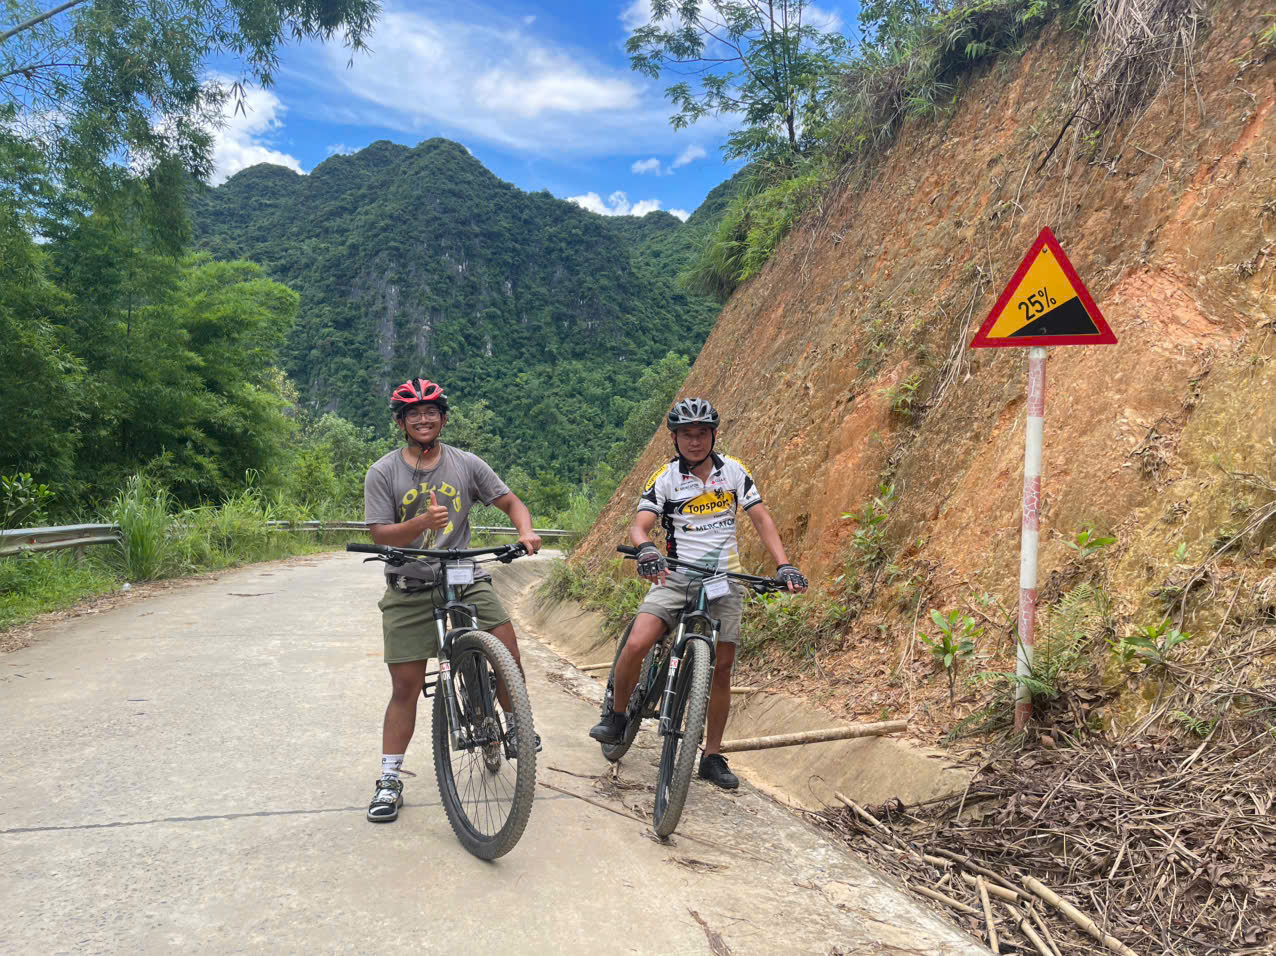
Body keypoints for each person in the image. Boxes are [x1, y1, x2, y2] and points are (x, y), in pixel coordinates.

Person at [589, 397, 807, 789]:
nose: (694, 441)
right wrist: (647, 549)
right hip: (675, 576)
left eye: (702, 433)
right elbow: (640, 526)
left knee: (721, 668)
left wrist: (784, 565)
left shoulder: (734, 471)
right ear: (675, 438)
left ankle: (711, 756)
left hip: (725, 580)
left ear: (714, 435)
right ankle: (617, 716)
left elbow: (761, 518)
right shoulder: (665, 477)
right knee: (637, 642)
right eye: (686, 434)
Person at [362, 377, 542, 823]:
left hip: (464, 577)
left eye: (431, 412)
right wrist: (420, 524)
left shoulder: (466, 464)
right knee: (405, 687)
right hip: (409, 584)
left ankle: (515, 725)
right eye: (413, 414)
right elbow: (380, 533)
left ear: (442, 418)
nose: (423, 419)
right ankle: (389, 779)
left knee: (507, 653)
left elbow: (511, 502)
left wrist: (525, 532)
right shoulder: (383, 471)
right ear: (401, 423)